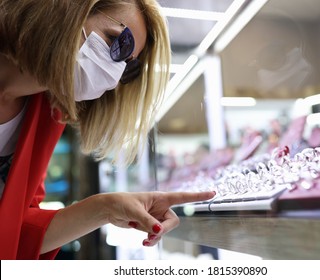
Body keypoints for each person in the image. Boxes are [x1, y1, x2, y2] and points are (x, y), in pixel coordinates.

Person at [0, 0, 215, 260]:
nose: (113, 73)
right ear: (67, 9)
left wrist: (107, 208)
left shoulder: (46, 117)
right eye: (115, 42)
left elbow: (15, 231)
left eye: (127, 67)